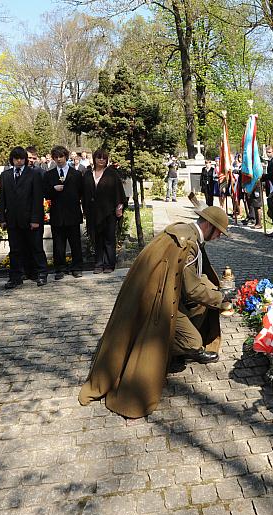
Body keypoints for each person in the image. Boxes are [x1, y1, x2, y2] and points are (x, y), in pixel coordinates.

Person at [79, 205, 231, 418]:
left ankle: (175, 347)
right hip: (161, 301)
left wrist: (215, 292)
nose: (218, 238)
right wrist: (222, 300)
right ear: (209, 225)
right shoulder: (188, 244)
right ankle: (170, 351)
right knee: (193, 342)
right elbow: (193, 289)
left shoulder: (185, 231)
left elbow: (194, 279)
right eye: (219, 233)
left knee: (201, 308)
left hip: (165, 293)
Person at [0, 146, 48, 288]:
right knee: (15, 250)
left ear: (26, 160)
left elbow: (38, 198)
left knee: (36, 247)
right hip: (13, 220)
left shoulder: (33, 174)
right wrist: (2, 218)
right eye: (16, 158)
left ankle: (41, 274)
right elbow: (3, 198)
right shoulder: (6, 175)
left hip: (31, 219)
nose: (19, 161)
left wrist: (35, 219)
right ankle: (15, 277)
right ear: (12, 159)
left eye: (21, 158)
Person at [44, 145, 84, 279]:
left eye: (61, 156)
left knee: (75, 243)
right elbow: (45, 193)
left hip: (72, 213)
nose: (59, 159)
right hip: (57, 214)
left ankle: (77, 267)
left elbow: (81, 192)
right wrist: (53, 189)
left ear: (66, 157)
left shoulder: (77, 174)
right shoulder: (49, 174)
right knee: (58, 244)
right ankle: (60, 268)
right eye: (56, 157)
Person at [83, 149, 125, 274]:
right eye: (99, 157)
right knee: (97, 238)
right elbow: (84, 193)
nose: (101, 160)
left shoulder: (112, 173)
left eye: (104, 158)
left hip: (109, 211)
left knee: (109, 238)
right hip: (93, 212)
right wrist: (84, 208)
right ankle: (99, 263)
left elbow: (119, 192)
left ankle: (109, 264)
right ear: (94, 159)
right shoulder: (88, 174)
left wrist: (119, 208)